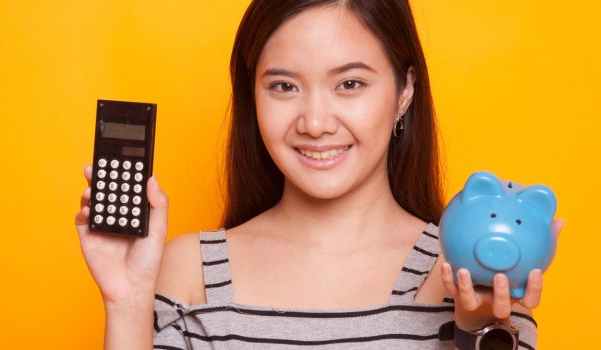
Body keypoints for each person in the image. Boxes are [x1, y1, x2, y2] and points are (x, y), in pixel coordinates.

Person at [74, 0, 565, 349]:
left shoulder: (468, 278)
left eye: (349, 83)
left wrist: (476, 330)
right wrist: (127, 303)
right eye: (284, 86)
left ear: (404, 91)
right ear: (252, 98)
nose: (314, 123)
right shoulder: (192, 272)